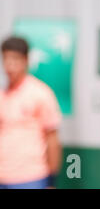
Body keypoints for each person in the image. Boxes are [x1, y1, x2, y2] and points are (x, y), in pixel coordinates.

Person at [0, 36, 63, 189]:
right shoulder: (2, 94)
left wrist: (51, 181)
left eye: (15, 59)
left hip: (32, 178)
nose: (10, 65)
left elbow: (52, 139)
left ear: (26, 60)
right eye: (6, 59)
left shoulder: (41, 93)